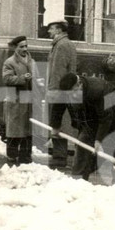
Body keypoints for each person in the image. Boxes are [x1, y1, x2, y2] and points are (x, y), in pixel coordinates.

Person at [56, 72, 115, 182]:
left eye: (74, 92)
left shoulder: (97, 90)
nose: (72, 96)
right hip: (91, 116)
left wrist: (98, 140)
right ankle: (77, 181)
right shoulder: (68, 90)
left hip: (113, 112)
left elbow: (106, 118)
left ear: (80, 84)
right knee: (83, 144)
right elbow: (58, 106)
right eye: (68, 95)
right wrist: (55, 125)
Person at [46, 18, 77, 169]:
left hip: (59, 90)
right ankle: (60, 154)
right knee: (62, 123)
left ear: (58, 30)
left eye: (51, 29)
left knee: (57, 122)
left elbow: (58, 71)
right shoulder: (64, 44)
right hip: (64, 89)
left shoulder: (61, 45)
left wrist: (54, 91)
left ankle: (59, 157)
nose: (48, 31)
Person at [1, 35, 35, 165]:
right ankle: (12, 156)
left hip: (28, 99)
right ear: (15, 48)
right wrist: (22, 78)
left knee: (27, 130)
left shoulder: (32, 61)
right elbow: (7, 79)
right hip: (15, 99)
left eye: (26, 46)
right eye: (21, 46)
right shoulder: (9, 62)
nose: (25, 49)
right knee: (14, 130)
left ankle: (25, 156)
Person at [0, 37, 19, 145]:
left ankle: (5, 134)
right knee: (10, 117)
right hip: (14, 93)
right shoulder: (10, 61)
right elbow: (7, 79)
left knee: (10, 116)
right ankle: (6, 135)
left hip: (14, 94)